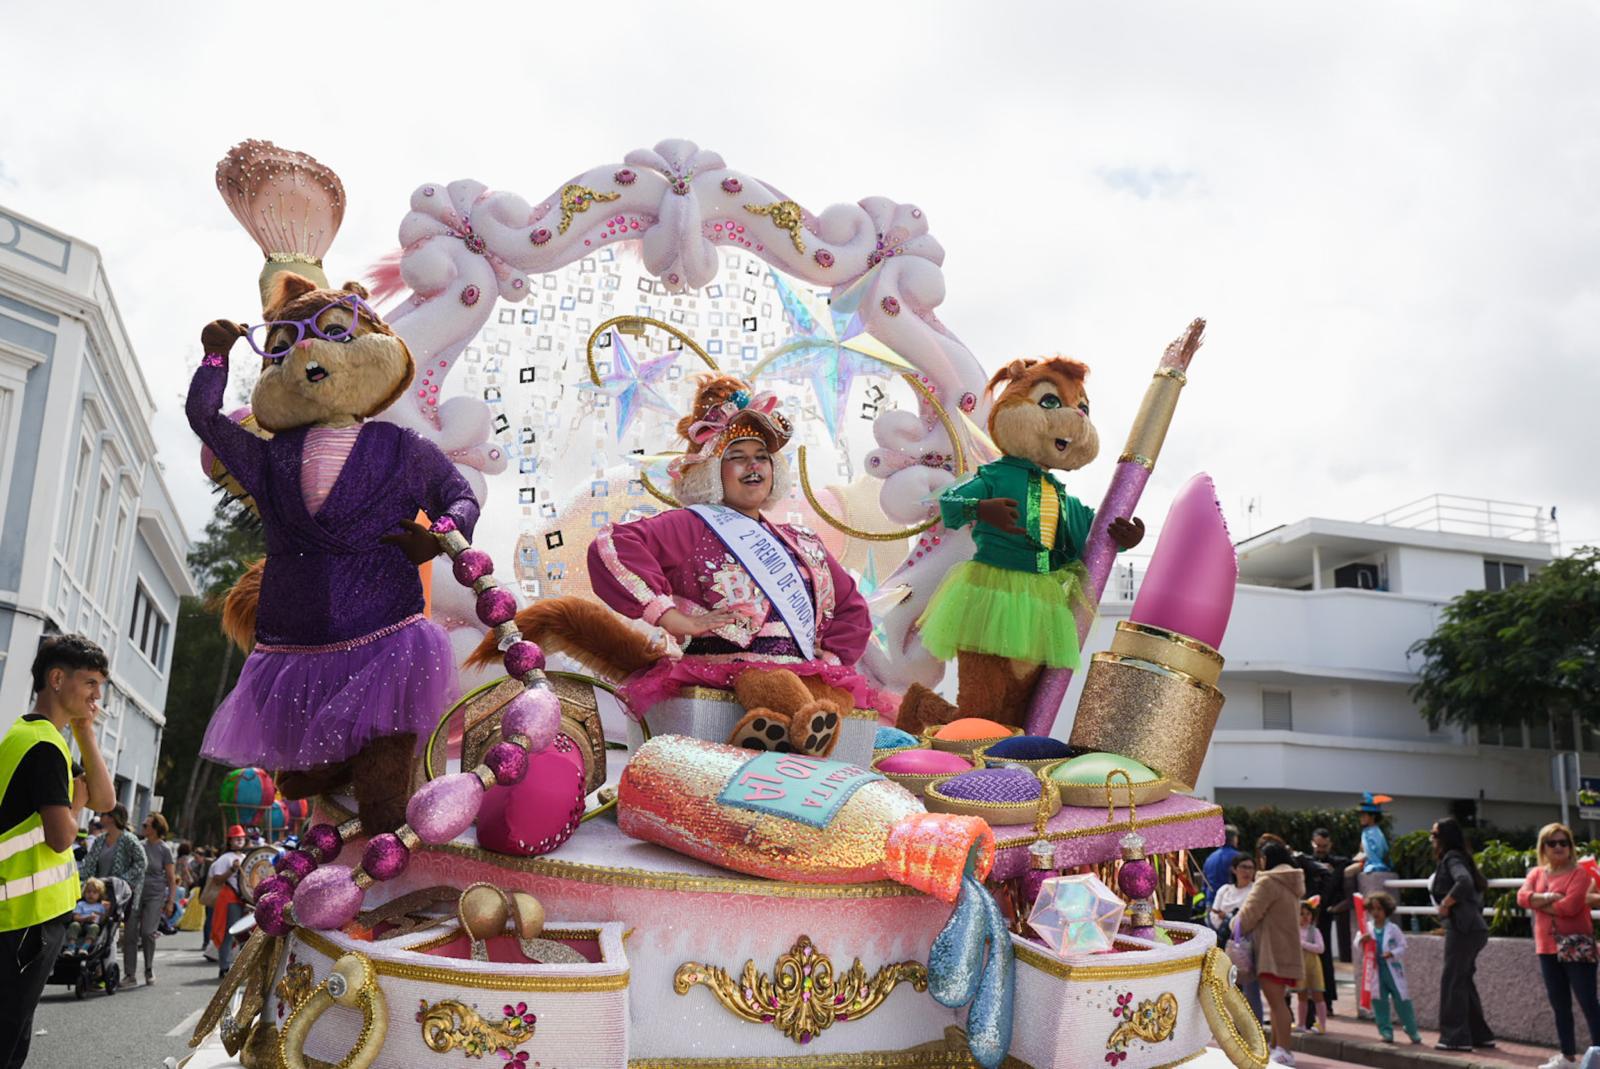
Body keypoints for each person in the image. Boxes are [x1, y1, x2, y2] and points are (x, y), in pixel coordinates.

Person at [0, 634, 115, 1068]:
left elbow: (106, 800)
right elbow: (61, 836)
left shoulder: (29, 734)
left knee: (13, 1030)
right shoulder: (46, 748)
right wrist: (77, 804)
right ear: (56, 678)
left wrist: (84, 728)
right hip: (26, 917)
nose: (96, 696)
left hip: (20, 916)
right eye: (89, 684)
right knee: (9, 1040)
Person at [1517, 822, 1599, 1068]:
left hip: (1576, 945)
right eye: (1552, 843)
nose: (1559, 847)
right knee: (1559, 1004)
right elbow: (1521, 897)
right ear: (1543, 847)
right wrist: (1548, 898)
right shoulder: (1536, 873)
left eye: (1564, 842)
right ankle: (1567, 1056)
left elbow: (1571, 907)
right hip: (1547, 947)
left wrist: (1538, 903)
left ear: (1571, 847)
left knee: (1588, 1002)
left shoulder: (1580, 874)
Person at [1428, 815, 1497, 1053]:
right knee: (1462, 980)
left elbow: (1464, 882)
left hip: (1464, 929)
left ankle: (1455, 1038)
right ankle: (1480, 1035)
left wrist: (1446, 903)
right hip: (1473, 928)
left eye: (1434, 835)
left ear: (1444, 838)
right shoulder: (1462, 858)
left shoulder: (1452, 858)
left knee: (1453, 982)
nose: (1431, 839)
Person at [1237, 840, 1305, 1066]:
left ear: (1267, 859)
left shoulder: (1268, 881)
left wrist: (1232, 924)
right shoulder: (1292, 880)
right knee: (1279, 1002)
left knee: (1276, 1003)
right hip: (1288, 948)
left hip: (1270, 951)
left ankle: (1284, 1049)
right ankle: (1278, 1048)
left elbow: (1249, 915)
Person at [1360, 892, 1422, 1045]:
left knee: (1402, 1000)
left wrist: (1392, 953)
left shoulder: (1393, 928)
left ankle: (1412, 1029)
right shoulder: (1366, 928)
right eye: (1373, 909)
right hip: (1375, 971)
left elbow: (1403, 946)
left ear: (1386, 910)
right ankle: (1386, 1031)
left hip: (1392, 970)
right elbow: (1358, 944)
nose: (1376, 913)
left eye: (1379, 909)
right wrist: (1362, 940)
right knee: (1379, 1001)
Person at [1210, 854, 1263, 1024]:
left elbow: (1254, 916)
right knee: (1230, 988)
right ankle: (1236, 1026)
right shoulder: (1224, 890)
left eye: (1250, 867)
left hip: (1249, 943)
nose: (1247, 871)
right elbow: (1214, 915)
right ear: (1234, 869)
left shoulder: (1255, 890)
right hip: (1226, 942)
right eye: (1243, 867)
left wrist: (1230, 918)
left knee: (1250, 988)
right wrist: (1230, 920)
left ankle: (1255, 1027)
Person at [126, 811, 176, 985]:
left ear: (156, 828)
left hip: (155, 894)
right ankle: (129, 974)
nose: (143, 827)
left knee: (147, 932)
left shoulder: (164, 849)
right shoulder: (138, 845)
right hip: (136, 893)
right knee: (130, 933)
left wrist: (170, 901)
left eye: (146, 825)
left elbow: (171, 878)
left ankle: (148, 968)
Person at [1309, 826, 1351, 1019]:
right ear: (1312, 843)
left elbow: (1351, 864)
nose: (1321, 849)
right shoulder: (1305, 862)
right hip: (1305, 917)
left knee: (1325, 961)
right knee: (1305, 961)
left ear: (1330, 845)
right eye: (1318, 845)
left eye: (1324, 846)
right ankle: (1308, 1005)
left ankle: (1327, 1003)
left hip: (1325, 916)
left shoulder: (1338, 863)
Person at [202, 825, 250, 976]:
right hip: (230, 898)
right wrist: (232, 870)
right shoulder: (225, 858)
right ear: (230, 840)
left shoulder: (244, 858)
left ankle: (242, 967)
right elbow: (217, 880)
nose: (239, 841)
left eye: (241, 838)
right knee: (229, 933)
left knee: (245, 935)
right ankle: (224, 967)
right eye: (236, 838)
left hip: (245, 901)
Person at [1296, 899, 1327, 1034]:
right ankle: (1301, 1024)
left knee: (1317, 994)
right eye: (1302, 914)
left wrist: (1303, 944)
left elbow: (1320, 948)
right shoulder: (1294, 931)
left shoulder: (1314, 931)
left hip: (1313, 966)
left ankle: (1322, 1025)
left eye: (1308, 914)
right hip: (1299, 966)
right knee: (1301, 996)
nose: (1305, 917)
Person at [66, 876, 110, 955]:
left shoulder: (100, 906)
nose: (91, 894)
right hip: (80, 924)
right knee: (74, 924)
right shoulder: (81, 904)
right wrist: (86, 918)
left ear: (99, 895)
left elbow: (101, 921)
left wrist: (106, 912)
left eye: (94, 892)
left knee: (95, 927)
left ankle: (85, 947)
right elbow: (75, 917)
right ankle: (71, 947)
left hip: (92, 926)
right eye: (88, 892)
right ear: (84, 893)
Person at [1204, 825, 1242, 908]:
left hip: (1211, 902)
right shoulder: (1238, 858)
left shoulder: (1210, 858)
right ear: (1234, 839)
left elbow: (1205, 884)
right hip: (1229, 903)